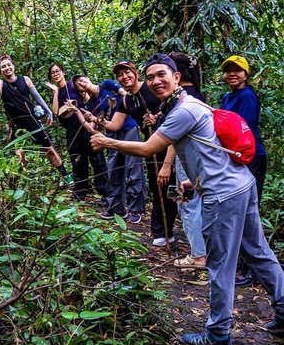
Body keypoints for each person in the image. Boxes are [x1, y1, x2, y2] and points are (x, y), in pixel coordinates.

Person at [90, 54, 284, 345]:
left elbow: (148, 147)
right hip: (241, 183)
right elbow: (211, 152)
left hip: (223, 195)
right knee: (258, 251)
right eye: (150, 77)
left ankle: (218, 333)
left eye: (161, 74)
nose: (155, 81)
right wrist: (196, 181)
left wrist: (107, 141)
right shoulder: (193, 104)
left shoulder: (182, 112)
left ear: (177, 77)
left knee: (220, 264)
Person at [98, 59, 175, 244]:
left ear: (135, 73)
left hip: (172, 145)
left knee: (174, 187)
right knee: (158, 187)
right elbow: (114, 125)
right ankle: (162, 232)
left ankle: (171, 231)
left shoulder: (151, 88)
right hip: (151, 147)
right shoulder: (125, 100)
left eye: (127, 73)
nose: (124, 77)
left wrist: (157, 117)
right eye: (120, 75)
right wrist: (97, 121)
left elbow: (173, 108)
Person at [0, 56, 71, 182]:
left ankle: (66, 176)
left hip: (32, 121)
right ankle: (17, 185)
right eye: (3, 67)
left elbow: (37, 97)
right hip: (17, 126)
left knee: (49, 150)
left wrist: (49, 112)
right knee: (19, 155)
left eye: (8, 65)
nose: (7, 68)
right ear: (0, 71)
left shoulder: (25, 80)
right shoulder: (0, 85)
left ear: (13, 66)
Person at [221, 55, 267, 288]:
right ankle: (242, 261)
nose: (232, 74)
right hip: (235, 157)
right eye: (228, 70)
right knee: (236, 210)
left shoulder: (247, 96)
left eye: (237, 71)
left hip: (251, 156)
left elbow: (242, 128)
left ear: (246, 75)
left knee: (248, 211)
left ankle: (253, 268)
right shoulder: (227, 96)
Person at [73, 74, 146, 222]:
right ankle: (116, 208)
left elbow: (126, 95)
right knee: (114, 170)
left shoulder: (106, 85)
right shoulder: (92, 104)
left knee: (134, 168)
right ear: (81, 91)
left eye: (82, 80)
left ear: (88, 78)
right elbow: (94, 127)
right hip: (111, 134)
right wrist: (88, 117)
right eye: (78, 85)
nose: (82, 83)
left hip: (128, 128)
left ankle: (136, 209)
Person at [168, 52, 207, 270]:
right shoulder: (197, 94)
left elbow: (173, 138)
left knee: (188, 204)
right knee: (190, 203)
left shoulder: (184, 98)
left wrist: (166, 165)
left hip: (186, 161)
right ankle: (199, 251)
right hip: (194, 161)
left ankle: (199, 256)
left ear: (177, 74)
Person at [45, 64, 107, 200]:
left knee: (96, 158)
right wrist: (55, 92)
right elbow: (56, 112)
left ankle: (105, 193)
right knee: (77, 159)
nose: (56, 74)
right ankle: (80, 192)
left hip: (84, 124)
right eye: (53, 73)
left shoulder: (73, 85)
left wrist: (93, 118)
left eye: (58, 71)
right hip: (71, 129)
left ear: (63, 72)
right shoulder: (59, 92)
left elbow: (88, 100)